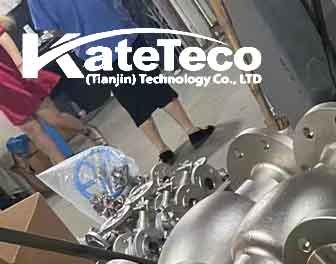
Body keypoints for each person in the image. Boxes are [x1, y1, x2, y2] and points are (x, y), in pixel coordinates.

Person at [28, 0, 215, 164]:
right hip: (120, 30)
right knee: (155, 84)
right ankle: (191, 130)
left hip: (93, 50)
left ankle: (163, 150)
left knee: (130, 100)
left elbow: (51, 29)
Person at [0, 16, 104, 165]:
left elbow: (2, 36)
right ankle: (63, 166)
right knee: (33, 130)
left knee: (53, 118)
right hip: (4, 95)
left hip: (17, 78)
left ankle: (87, 130)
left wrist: (21, 65)